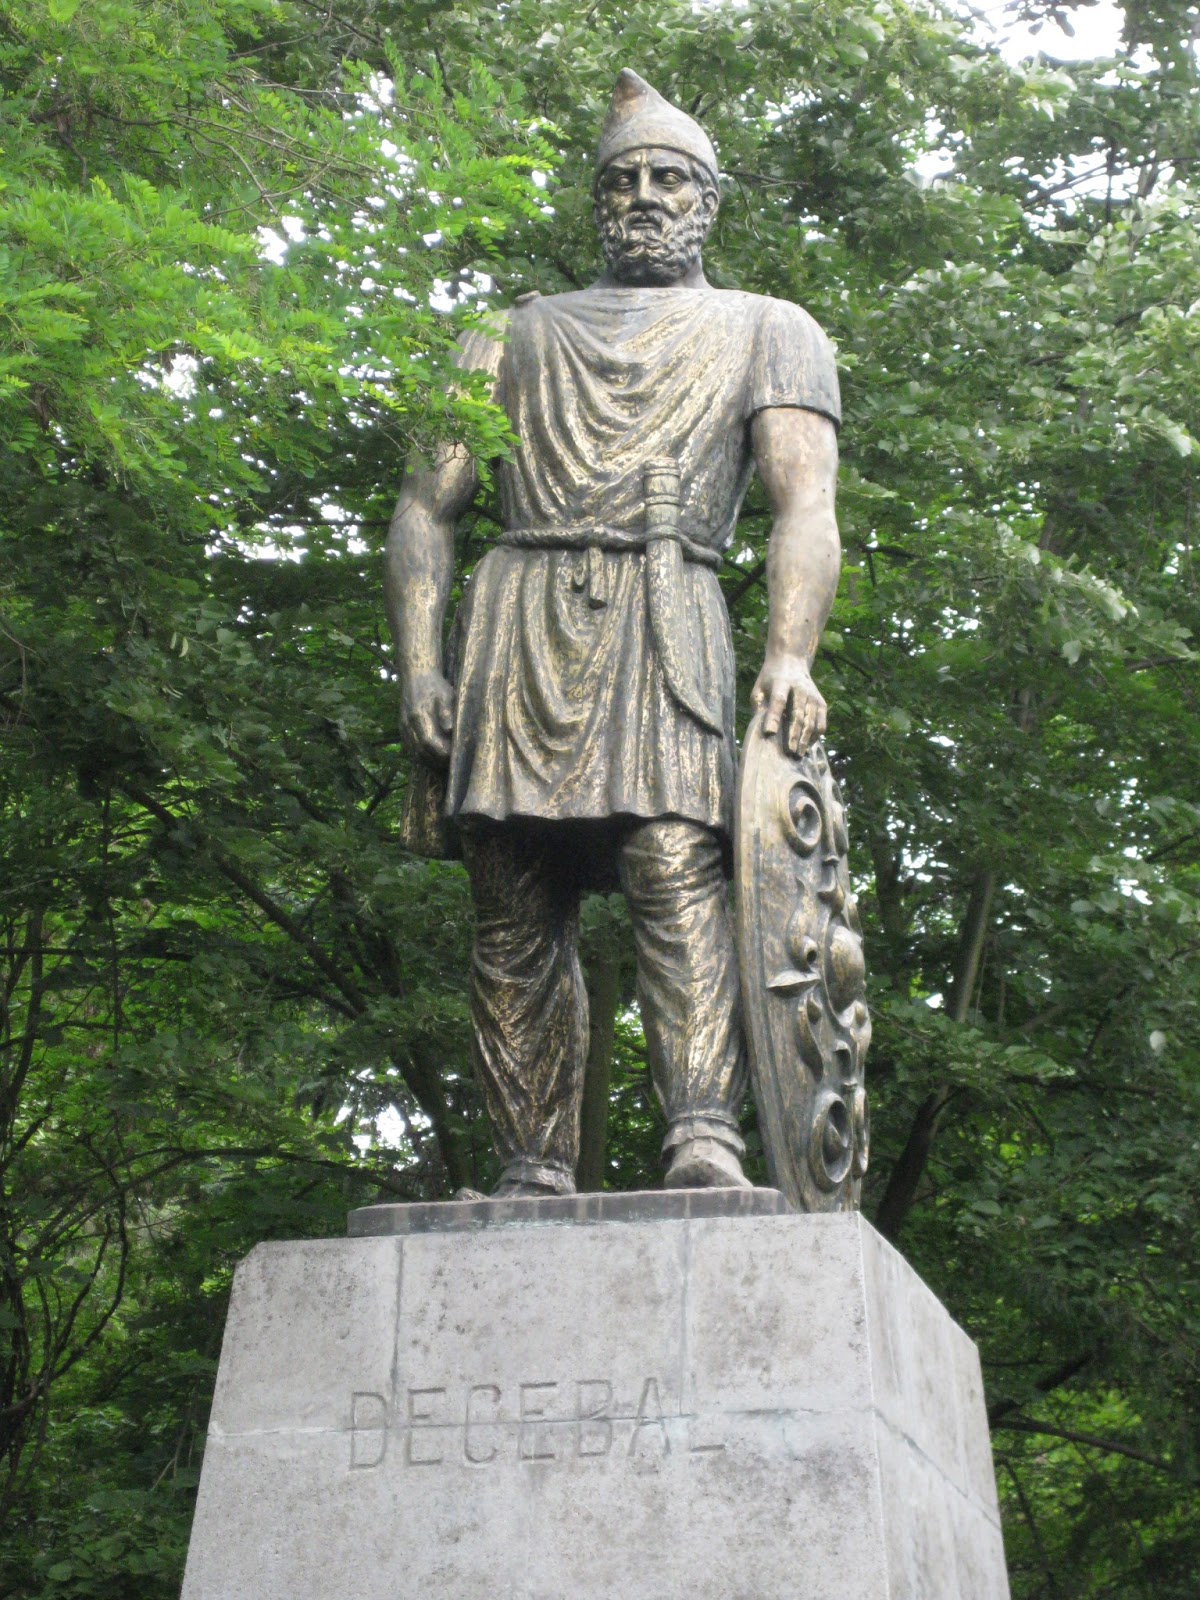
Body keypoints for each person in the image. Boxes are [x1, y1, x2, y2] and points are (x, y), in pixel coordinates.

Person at [384, 70, 842, 1198]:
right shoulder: (505, 335)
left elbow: (804, 506)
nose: (643, 195)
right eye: (623, 179)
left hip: (666, 606)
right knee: (512, 900)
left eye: (669, 178)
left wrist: (790, 655)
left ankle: (703, 1133)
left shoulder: (770, 330)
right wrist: (421, 665)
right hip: (518, 619)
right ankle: (531, 1162)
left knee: (674, 868)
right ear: (598, 202)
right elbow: (425, 508)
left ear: (707, 201)